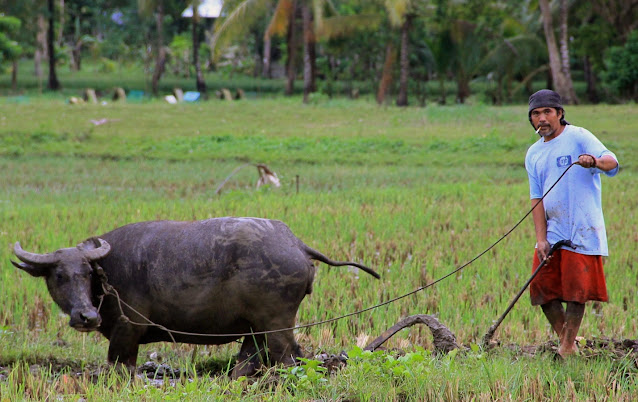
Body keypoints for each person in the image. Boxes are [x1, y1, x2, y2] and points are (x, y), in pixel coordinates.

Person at [524, 89, 619, 358]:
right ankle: (571, 342)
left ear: (560, 114)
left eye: (547, 112)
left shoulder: (577, 136)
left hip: (582, 225)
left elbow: (612, 163)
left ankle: (565, 349)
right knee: (542, 291)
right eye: (536, 114)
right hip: (553, 229)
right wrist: (541, 239)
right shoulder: (533, 154)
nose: (541, 119)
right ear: (531, 119)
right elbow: (536, 198)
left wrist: (595, 161)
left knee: (576, 293)